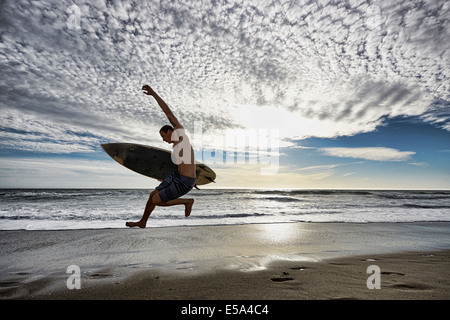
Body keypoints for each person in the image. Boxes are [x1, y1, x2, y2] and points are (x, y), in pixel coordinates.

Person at [126, 85, 196, 228]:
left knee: (157, 200)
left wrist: (154, 94)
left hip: (185, 181)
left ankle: (187, 201)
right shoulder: (176, 147)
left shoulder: (181, 135)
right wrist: (164, 177)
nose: (163, 139)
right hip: (177, 176)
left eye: (163, 136)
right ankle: (143, 221)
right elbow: (179, 166)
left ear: (170, 130)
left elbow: (168, 112)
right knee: (152, 196)